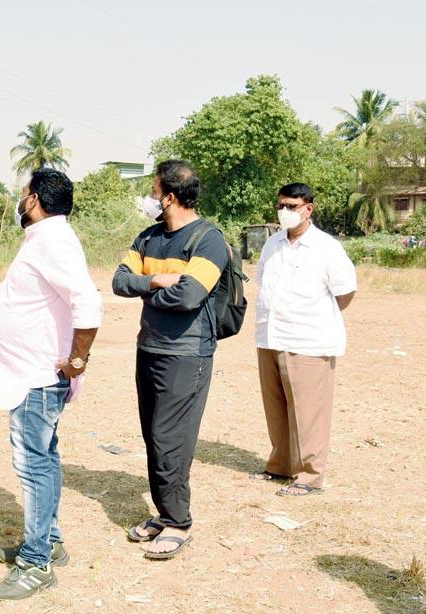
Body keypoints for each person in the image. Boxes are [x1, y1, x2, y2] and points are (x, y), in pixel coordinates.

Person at [0, 169, 102, 601]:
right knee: (44, 459)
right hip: (30, 373)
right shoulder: (47, 239)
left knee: (34, 465)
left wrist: (78, 359)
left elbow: (87, 302)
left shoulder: (53, 240)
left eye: (23, 194)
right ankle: (48, 541)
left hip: (37, 377)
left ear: (33, 200)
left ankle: (36, 564)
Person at [113, 159, 230, 561]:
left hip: (187, 354)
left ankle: (178, 522)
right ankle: (164, 513)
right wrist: (155, 281)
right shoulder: (149, 237)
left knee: (170, 438)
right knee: (153, 434)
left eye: (152, 191)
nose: (148, 198)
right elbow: (118, 281)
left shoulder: (208, 239)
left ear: (171, 197)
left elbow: (189, 296)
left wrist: (144, 290)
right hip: (149, 347)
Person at [252, 183, 357, 496]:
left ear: (308, 208)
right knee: (276, 408)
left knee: (309, 412)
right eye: (281, 205)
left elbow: (345, 292)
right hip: (271, 336)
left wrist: (315, 317)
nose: (285, 212)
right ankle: (280, 465)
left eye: (292, 206)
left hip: (308, 340)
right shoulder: (272, 245)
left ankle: (309, 476)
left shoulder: (326, 248)